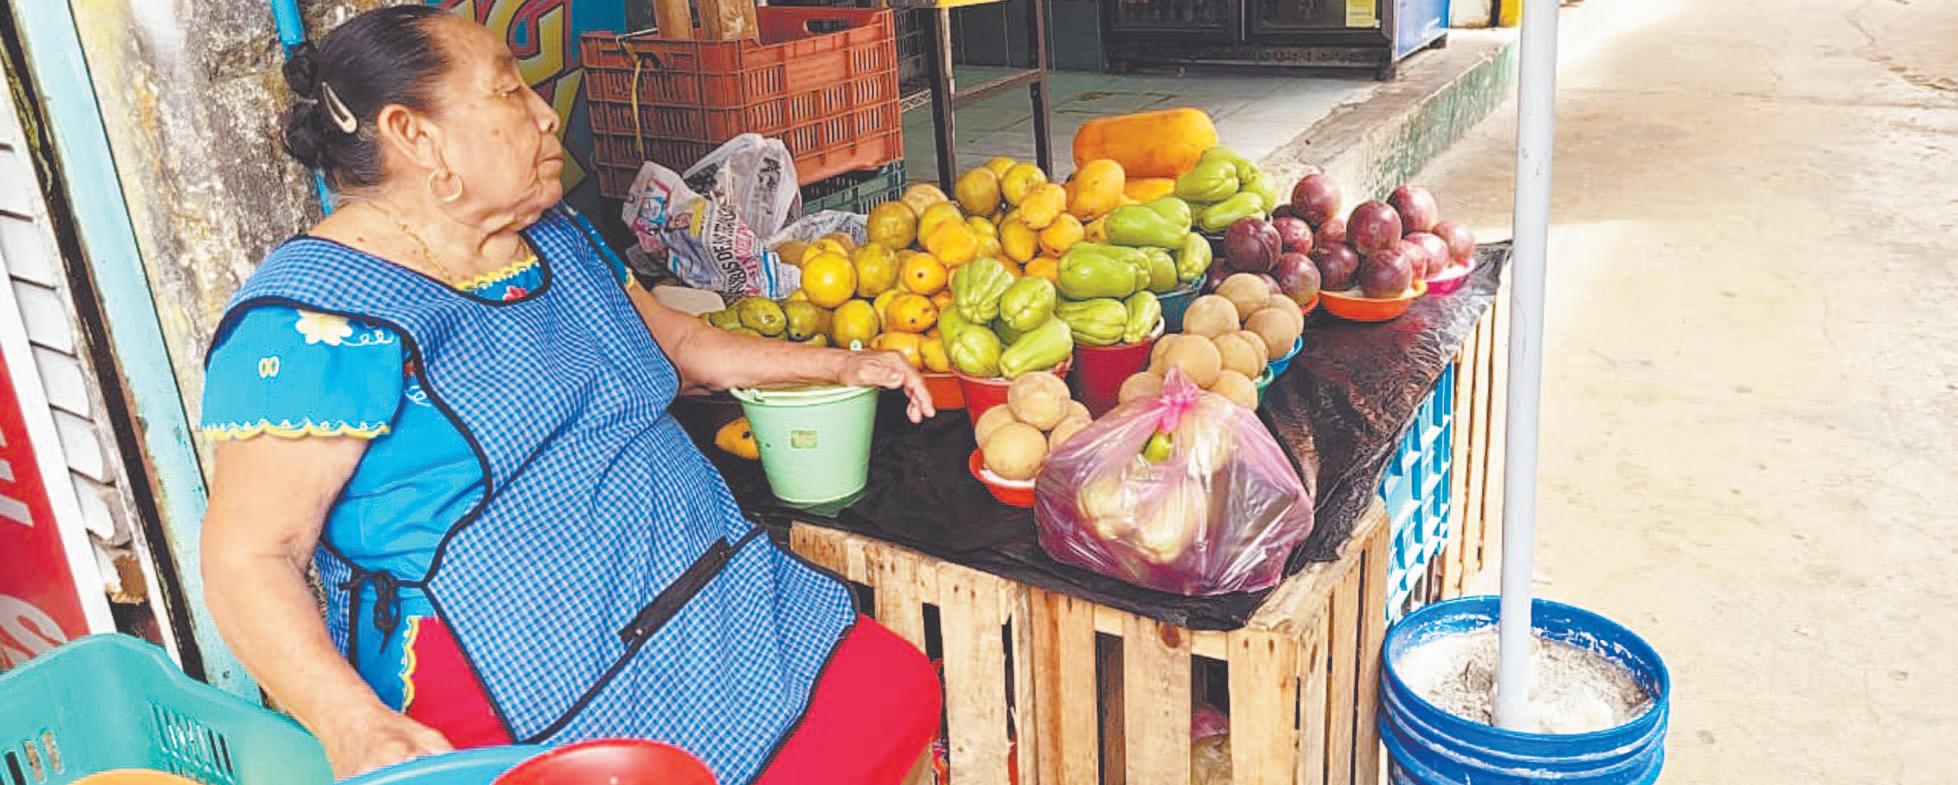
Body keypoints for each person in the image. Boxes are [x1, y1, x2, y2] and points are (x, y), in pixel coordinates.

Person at [197, 7, 940, 784]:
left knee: (888, 695)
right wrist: (353, 722)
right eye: (508, 90)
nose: (546, 113)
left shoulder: (555, 236)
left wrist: (840, 366)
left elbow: (676, 348)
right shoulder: (315, 324)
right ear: (415, 135)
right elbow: (249, 556)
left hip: (716, 607)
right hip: (538, 692)